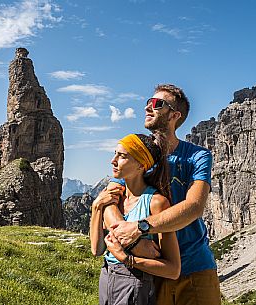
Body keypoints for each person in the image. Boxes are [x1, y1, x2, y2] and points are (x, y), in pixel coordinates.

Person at [103, 84, 221, 305]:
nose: (149, 107)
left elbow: (194, 206)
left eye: (157, 104)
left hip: (195, 268)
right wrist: (132, 243)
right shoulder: (137, 156)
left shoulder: (197, 156)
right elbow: (110, 201)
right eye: (148, 102)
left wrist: (140, 228)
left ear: (175, 115)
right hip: (152, 270)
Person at [90, 133, 181, 305]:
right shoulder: (113, 197)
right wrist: (96, 207)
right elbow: (97, 249)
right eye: (114, 153)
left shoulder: (156, 203)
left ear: (141, 164)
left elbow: (173, 269)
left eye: (122, 156)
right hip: (107, 275)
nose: (113, 160)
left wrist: (128, 259)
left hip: (135, 280)